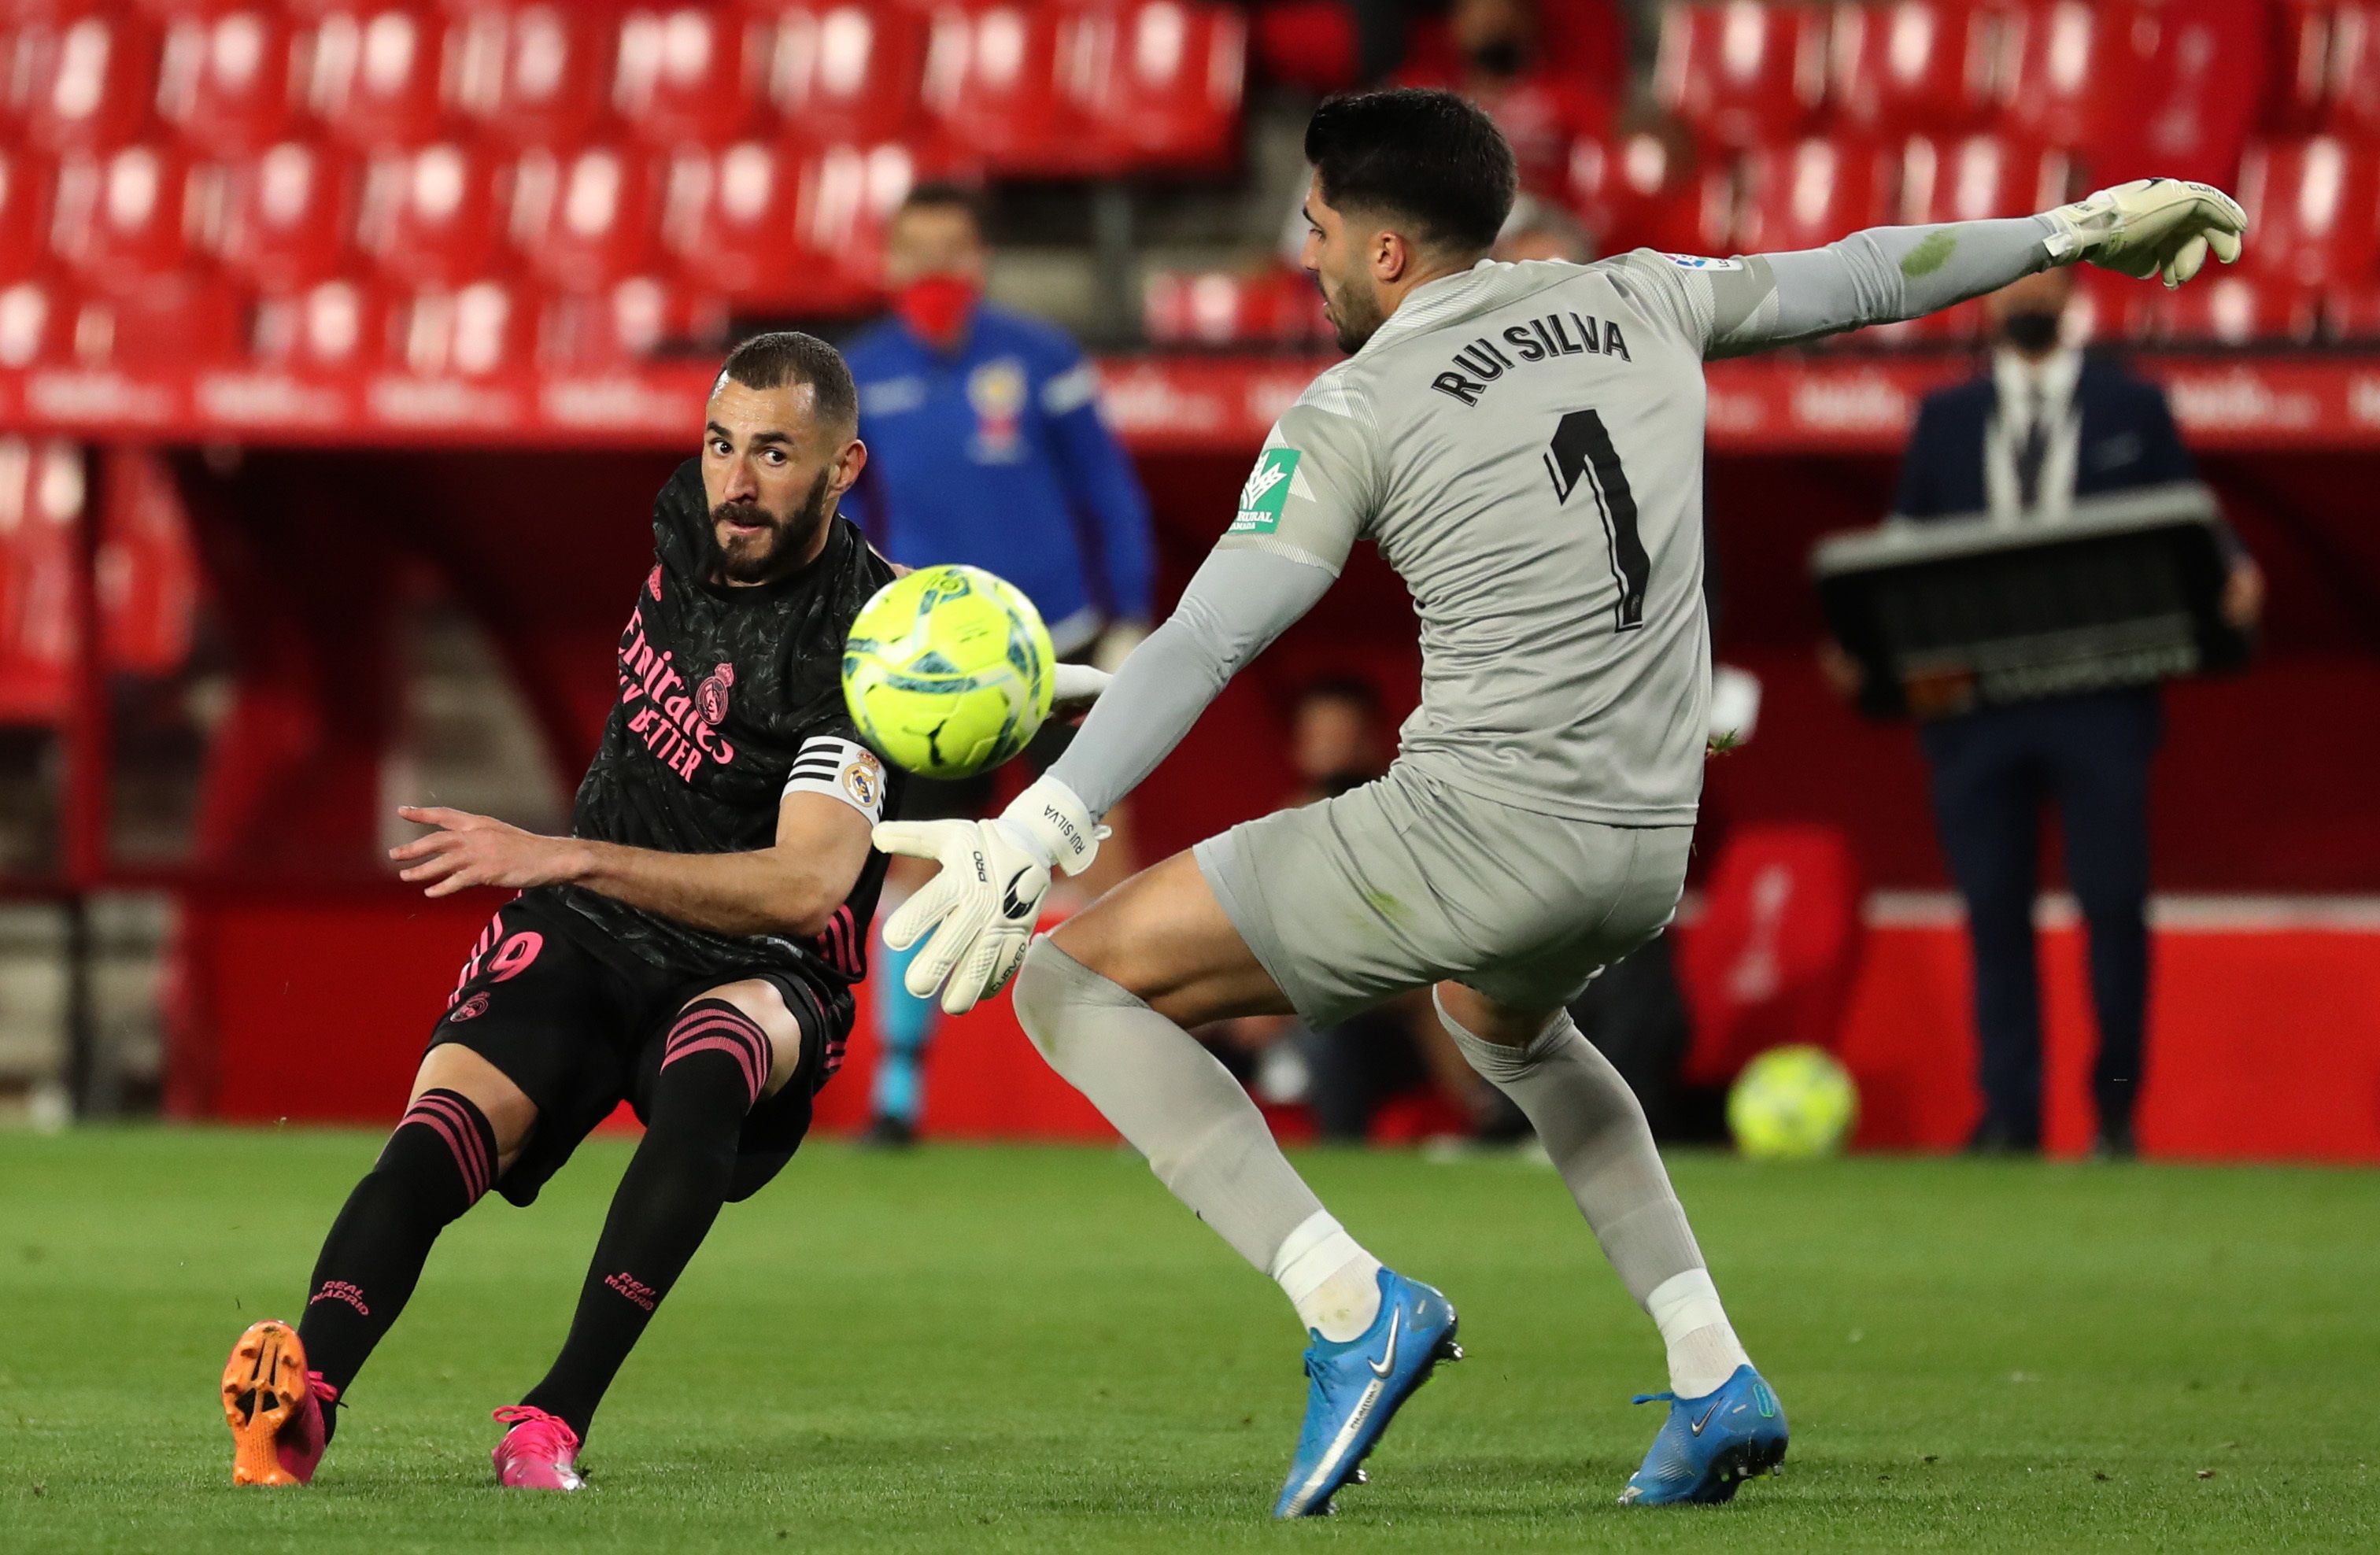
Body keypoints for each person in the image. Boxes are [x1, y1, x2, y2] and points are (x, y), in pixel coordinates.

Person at [874, 86, 2248, 1519]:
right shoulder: (1644, 296)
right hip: (1642, 850)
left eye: (1318, 226)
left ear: (1388, 254)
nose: (1305, 254)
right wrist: (2063, 231)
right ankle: (1710, 1368)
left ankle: (1348, 1306)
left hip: (1474, 830)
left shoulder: (1351, 402)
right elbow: (1855, 274)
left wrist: (1047, 822)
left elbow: (1214, 636)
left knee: (1068, 986)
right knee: (1500, 1022)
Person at [216, 333, 909, 1492]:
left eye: (775, 455)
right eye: (719, 444)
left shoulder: (869, 639)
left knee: (710, 1062)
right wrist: (580, 865)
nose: (734, 482)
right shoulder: (690, 520)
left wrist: (570, 851)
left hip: (763, 956)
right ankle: (304, 1408)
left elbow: (805, 884)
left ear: (844, 471)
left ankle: (552, 1421)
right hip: (592, 924)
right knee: (444, 1128)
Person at [1880, 264, 2264, 1158]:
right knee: (1994, 911)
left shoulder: (2134, 406)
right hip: (1978, 706)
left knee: (2115, 905)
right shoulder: (1944, 419)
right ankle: (2010, 1117)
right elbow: (1902, 550)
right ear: (1984, 300)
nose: (2026, 298)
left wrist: (2235, 568)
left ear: (2072, 293)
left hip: (2100, 695)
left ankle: (2118, 1111)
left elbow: (2195, 522)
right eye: (2011, 283)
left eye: (2042, 280)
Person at [842, 182, 1156, 1149]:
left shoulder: (1041, 357)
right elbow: (850, 522)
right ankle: (899, 1098)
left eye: (952, 250)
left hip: (1058, 642)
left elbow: (1109, 489)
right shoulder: (858, 374)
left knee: (1110, 852)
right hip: (935, 665)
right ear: (890, 262)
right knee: (909, 862)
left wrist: (1131, 619)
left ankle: (1146, 1082)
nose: (935, 270)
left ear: (979, 261)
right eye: (917, 251)